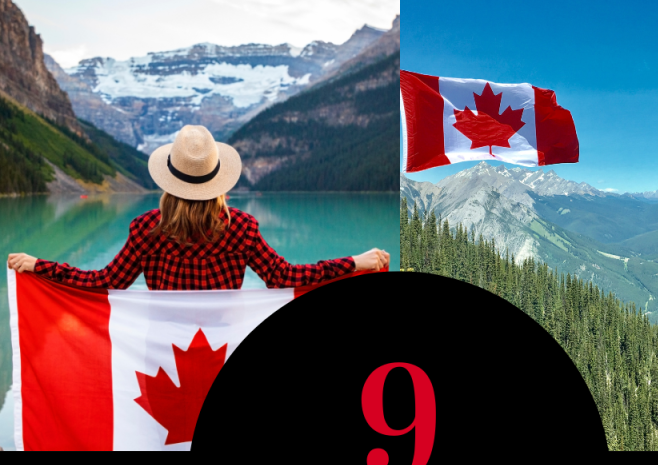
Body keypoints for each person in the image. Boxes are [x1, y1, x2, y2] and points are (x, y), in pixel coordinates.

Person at [7, 124, 389, 287]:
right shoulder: (241, 228)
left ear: (168, 180)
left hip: (162, 355)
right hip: (225, 349)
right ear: (218, 181)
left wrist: (40, 266)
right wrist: (356, 262)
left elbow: (103, 282)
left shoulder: (145, 229)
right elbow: (285, 277)